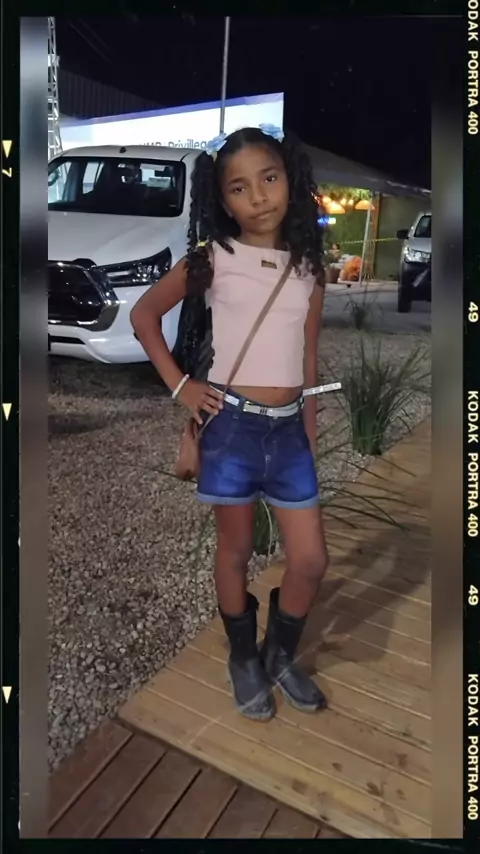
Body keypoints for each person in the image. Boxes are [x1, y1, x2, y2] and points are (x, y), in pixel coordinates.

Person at [131, 125, 329, 722]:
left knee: (311, 560)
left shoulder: (309, 267)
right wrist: (182, 387)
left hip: (288, 432)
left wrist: (310, 420)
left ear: (290, 178)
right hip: (232, 428)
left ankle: (279, 654)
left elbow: (308, 353)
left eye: (269, 178)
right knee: (236, 550)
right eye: (240, 188)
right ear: (223, 200)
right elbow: (144, 315)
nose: (259, 197)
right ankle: (244, 658)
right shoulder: (212, 259)